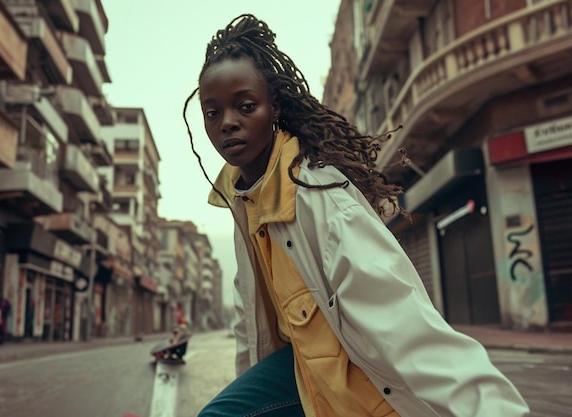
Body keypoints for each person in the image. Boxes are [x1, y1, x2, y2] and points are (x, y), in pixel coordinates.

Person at [183, 14, 530, 417]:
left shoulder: (320, 196)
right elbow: (251, 327)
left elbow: (405, 322)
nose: (228, 123)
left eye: (245, 106)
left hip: (358, 384)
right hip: (303, 372)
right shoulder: (244, 201)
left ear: (273, 108)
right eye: (212, 113)